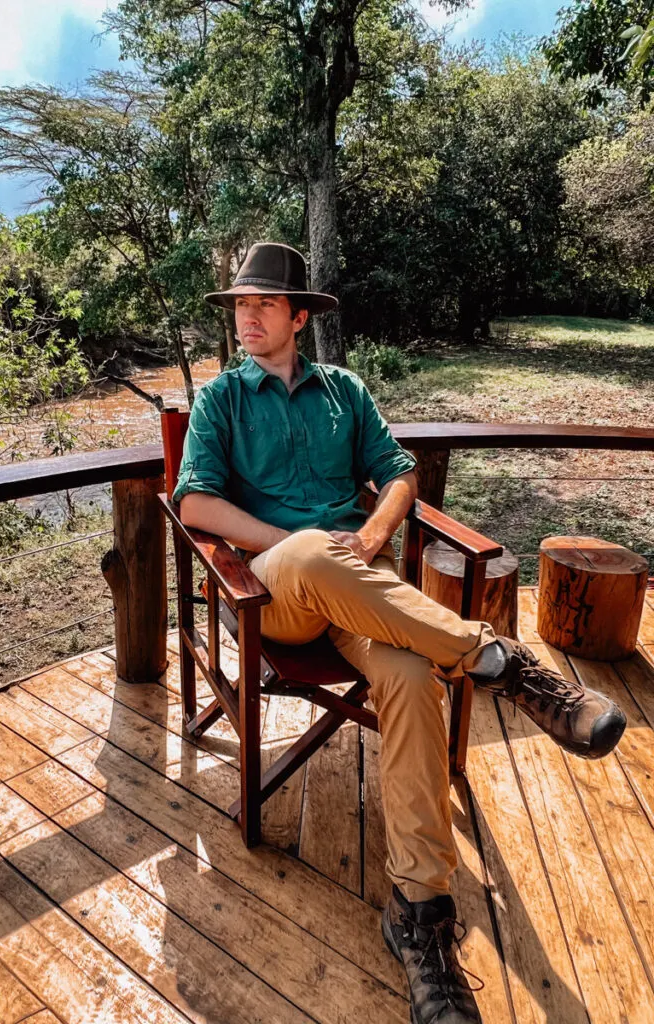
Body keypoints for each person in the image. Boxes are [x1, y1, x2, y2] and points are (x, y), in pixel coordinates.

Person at [172, 241, 626, 1024]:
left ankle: (419, 914)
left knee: (413, 678)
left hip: (358, 591)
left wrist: (379, 530)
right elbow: (195, 507)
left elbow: (399, 473)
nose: (245, 316)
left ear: (299, 316)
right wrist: (284, 543)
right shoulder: (223, 402)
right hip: (272, 593)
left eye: (262, 305)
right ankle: (500, 661)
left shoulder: (344, 391)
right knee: (313, 547)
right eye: (239, 306)